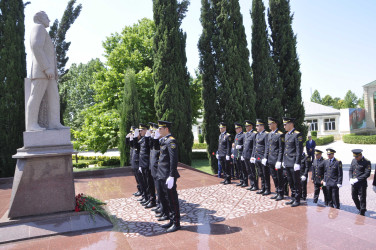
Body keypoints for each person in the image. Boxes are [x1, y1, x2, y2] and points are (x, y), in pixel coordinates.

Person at [26, 11, 66, 131]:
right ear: (40, 18)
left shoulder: (43, 30)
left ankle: (54, 123)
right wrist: (47, 67)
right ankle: (31, 125)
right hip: (42, 71)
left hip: (49, 73)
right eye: (47, 17)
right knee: (36, 96)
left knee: (54, 97)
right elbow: (36, 47)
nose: (49, 20)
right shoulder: (38, 27)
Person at [156, 120, 181, 233]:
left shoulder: (171, 141)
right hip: (162, 174)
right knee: (166, 199)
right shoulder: (164, 140)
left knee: (172, 199)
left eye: (160, 128)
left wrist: (171, 175)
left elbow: (173, 160)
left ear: (166, 129)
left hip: (167, 176)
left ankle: (176, 222)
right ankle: (171, 220)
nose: (158, 130)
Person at [282, 117, 303, 207]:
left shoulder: (297, 134)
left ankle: (297, 199)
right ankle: (293, 197)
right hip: (287, 161)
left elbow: (299, 150)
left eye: (285, 124)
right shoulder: (286, 135)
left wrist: (297, 162)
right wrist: (283, 160)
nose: (284, 126)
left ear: (291, 124)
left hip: (294, 162)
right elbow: (285, 149)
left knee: (296, 181)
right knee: (290, 181)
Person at [265, 117, 285, 200]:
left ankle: (281, 193)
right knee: (274, 177)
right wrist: (265, 157)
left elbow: (281, 149)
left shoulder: (280, 135)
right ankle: (277, 191)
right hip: (270, 159)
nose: (269, 125)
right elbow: (267, 147)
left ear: (275, 124)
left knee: (279, 177)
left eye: (270, 123)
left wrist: (279, 160)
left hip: (276, 160)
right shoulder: (269, 134)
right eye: (268, 124)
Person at [138, 123, 156, 208]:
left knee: (150, 184)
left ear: (146, 130)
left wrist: (149, 137)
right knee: (146, 183)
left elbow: (150, 149)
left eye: (141, 130)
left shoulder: (148, 139)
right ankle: (148, 198)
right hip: (143, 164)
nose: (140, 131)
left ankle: (152, 200)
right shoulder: (143, 139)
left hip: (148, 165)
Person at [349, 149, 371, 216]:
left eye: (357, 157)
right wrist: (350, 178)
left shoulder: (366, 162)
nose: (355, 158)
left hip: (362, 184)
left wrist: (357, 179)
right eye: (355, 157)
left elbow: (367, 174)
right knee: (354, 197)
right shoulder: (353, 160)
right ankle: (360, 208)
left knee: (362, 198)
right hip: (354, 183)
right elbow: (350, 170)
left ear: (360, 155)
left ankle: (362, 212)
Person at [251, 119, 269, 195]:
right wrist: (253, 156)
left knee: (265, 174)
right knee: (260, 173)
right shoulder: (257, 135)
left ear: (262, 126)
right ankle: (262, 188)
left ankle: (267, 189)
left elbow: (267, 147)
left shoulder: (266, 134)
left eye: (258, 126)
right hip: (257, 156)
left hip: (262, 157)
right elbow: (255, 146)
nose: (256, 127)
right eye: (256, 126)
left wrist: (265, 157)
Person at [126, 126, 142, 197]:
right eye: (131, 133)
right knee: (137, 177)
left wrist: (134, 138)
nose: (132, 134)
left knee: (140, 178)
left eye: (133, 133)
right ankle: (139, 190)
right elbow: (129, 145)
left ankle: (142, 191)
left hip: (138, 162)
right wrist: (128, 138)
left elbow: (135, 146)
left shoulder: (139, 141)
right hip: (134, 161)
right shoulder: (134, 141)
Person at [242, 121, 258, 191]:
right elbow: (244, 146)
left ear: (251, 126)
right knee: (248, 170)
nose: (246, 127)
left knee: (253, 171)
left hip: (251, 155)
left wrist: (253, 155)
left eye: (247, 126)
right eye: (245, 126)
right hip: (246, 155)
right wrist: (243, 154)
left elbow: (255, 146)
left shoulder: (254, 134)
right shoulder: (245, 134)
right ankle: (252, 184)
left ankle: (255, 185)